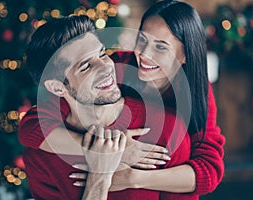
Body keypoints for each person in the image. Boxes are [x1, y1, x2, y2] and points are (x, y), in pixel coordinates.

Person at [20, 0, 225, 199]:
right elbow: (31, 126)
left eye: (161, 47)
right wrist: (104, 152)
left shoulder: (191, 98)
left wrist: (133, 178)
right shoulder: (119, 65)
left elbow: (209, 171)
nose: (145, 55)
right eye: (142, 40)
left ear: (185, 55)